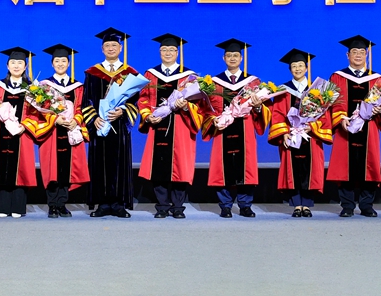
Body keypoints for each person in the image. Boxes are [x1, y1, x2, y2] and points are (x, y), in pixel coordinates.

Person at [202, 38, 271, 219]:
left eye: (235, 55)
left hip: (245, 129)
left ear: (241, 58)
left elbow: (265, 108)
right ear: (224, 58)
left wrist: (258, 106)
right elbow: (206, 108)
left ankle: (245, 205)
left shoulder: (253, 83)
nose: (232, 58)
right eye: (229, 55)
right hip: (222, 132)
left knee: (246, 166)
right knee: (222, 167)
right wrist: (213, 120)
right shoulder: (213, 83)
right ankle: (225, 206)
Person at [136, 33, 201, 219]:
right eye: (164, 50)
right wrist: (147, 116)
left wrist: (186, 106)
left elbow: (199, 104)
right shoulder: (150, 75)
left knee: (180, 166)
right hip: (158, 126)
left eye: (172, 50)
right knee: (158, 165)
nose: (168, 53)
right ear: (159, 52)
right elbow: (143, 98)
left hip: (181, 126)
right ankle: (162, 206)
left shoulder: (189, 77)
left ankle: (178, 207)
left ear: (177, 53)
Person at [326, 35, 381, 218]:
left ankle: (367, 205)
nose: (358, 55)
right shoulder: (337, 77)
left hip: (370, 128)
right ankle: (347, 206)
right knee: (345, 166)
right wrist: (340, 118)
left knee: (369, 165)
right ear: (348, 55)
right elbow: (334, 102)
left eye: (362, 51)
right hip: (345, 128)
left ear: (367, 54)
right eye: (354, 51)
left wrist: (380, 109)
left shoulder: (377, 79)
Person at [82, 27, 140, 218]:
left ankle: (118, 204)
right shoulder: (92, 73)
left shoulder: (130, 73)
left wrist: (123, 111)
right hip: (100, 126)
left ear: (120, 48)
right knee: (99, 164)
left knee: (119, 163)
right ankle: (102, 203)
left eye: (114, 45)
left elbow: (135, 102)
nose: (111, 48)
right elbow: (86, 101)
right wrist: (94, 119)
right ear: (102, 49)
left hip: (120, 127)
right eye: (107, 45)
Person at [267, 49, 331, 218]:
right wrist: (283, 133)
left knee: (310, 169)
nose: (297, 69)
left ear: (306, 68)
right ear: (290, 69)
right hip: (291, 135)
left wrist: (313, 127)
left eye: (300, 65)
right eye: (294, 66)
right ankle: (296, 205)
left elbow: (325, 116)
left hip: (311, 136)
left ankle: (307, 205)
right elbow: (277, 114)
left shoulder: (317, 90)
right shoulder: (283, 90)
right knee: (293, 169)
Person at [0, 47, 42, 218]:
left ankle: (18, 207)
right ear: (7, 66)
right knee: (2, 165)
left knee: (21, 168)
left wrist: (25, 125)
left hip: (22, 134)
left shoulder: (33, 88)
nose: (16, 66)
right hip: (1, 132)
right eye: (13, 62)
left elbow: (37, 114)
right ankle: (4, 207)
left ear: (25, 66)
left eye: (20, 63)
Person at [36, 44, 89, 218]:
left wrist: (76, 120)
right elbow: (39, 110)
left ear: (68, 63)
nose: (60, 64)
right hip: (51, 132)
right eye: (57, 61)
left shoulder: (77, 86)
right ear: (52, 64)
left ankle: (62, 204)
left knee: (67, 168)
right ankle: (52, 205)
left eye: (63, 61)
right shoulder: (44, 86)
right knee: (51, 168)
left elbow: (80, 107)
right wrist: (55, 119)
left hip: (70, 132)